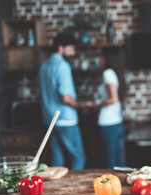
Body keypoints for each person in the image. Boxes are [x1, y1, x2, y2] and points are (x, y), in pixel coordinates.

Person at [39, 32, 86, 170]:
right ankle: (76, 189)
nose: (73, 51)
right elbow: (65, 97)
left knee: (57, 160)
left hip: (50, 119)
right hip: (66, 119)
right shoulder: (63, 66)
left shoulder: (43, 66)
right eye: (71, 48)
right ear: (61, 47)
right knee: (78, 157)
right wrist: (81, 105)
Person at [93, 48, 126, 168]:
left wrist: (94, 105)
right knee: (119, 163)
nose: (101, 59)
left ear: (107, 59)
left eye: (102, 56)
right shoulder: (117, 73)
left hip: (107, 123)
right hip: (117, 122)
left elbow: (113, 98)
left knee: (109, 163)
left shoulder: (107, 73)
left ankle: (110, 186)